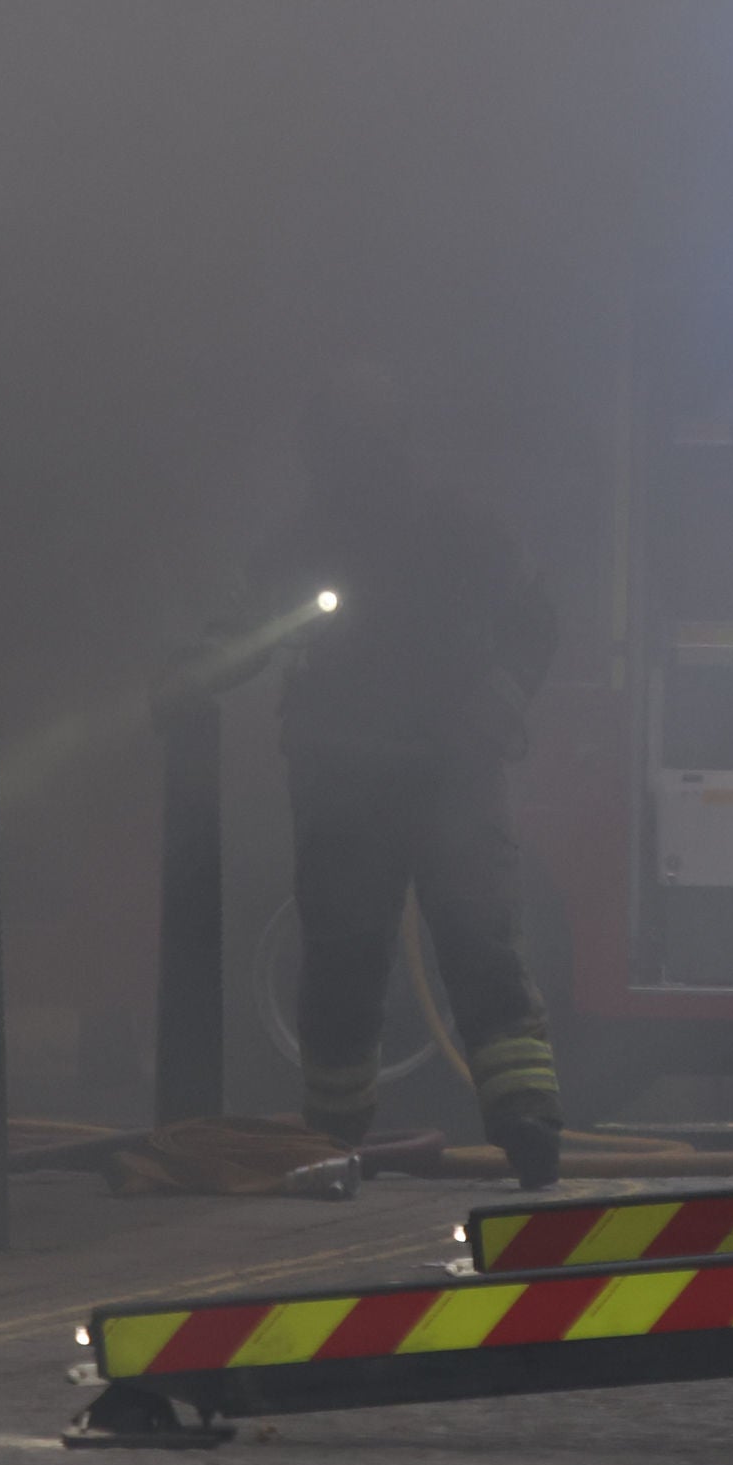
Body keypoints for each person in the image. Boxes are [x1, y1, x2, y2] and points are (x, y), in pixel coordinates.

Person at [185, 369, 566, 1188]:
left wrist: (494, 708)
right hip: (382, 779)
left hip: (403, 777)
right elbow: (242, 629)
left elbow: (535, 618)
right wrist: (196, 669)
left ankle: (488, 1124)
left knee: (413, 953)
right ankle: (374, 1135)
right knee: (390, 955)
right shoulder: (364, 535)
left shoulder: (443, 532)